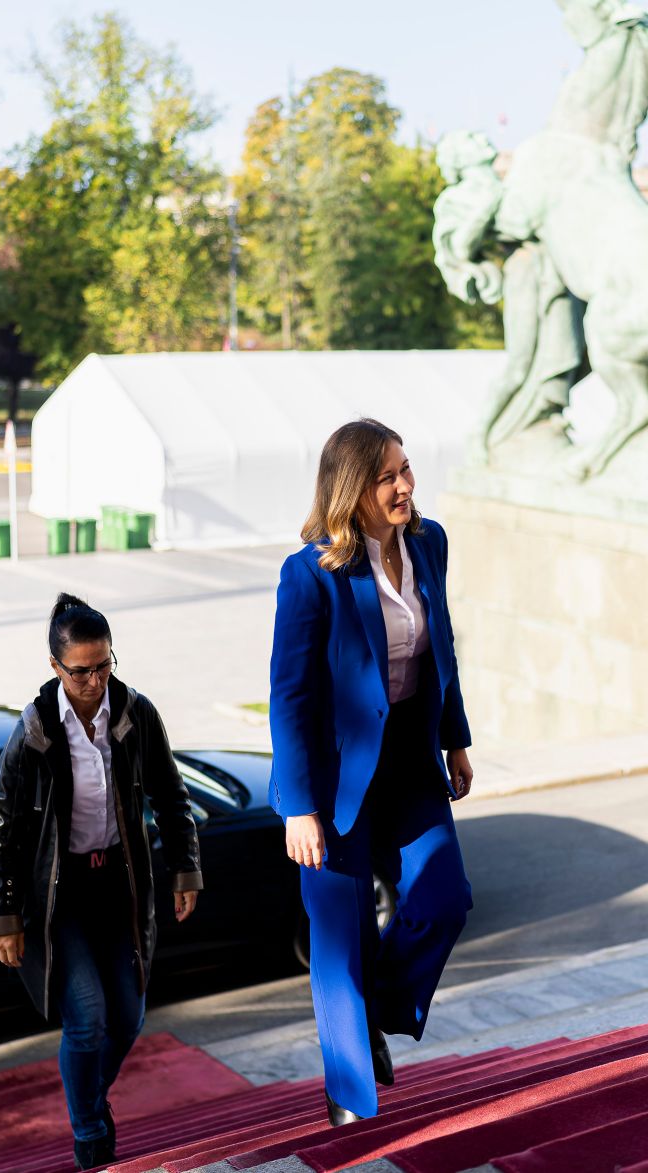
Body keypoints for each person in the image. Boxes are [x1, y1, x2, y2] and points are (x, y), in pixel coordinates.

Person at [269, 419, 475, 1125]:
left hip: (411, 763)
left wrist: (456, 740)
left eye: (407, 469)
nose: (405, 485)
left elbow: (440, 647)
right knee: (339, 937)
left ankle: (378, 1011)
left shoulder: (430, 542)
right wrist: (298, 804)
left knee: (445, 897)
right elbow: (289, 694)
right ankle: (350, 1099)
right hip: (330, 780)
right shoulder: (311, 574)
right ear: (354, 489)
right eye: (388, 476)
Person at [0, 593, 202, 1170]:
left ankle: (88, 1096)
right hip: (59, 897)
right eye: (80, 670)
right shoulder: (34, 731)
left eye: (104, 664)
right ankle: (89, 1135)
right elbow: (1, 821)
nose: (94, 680)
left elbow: (171, 796)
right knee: (87, 1017)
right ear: (55, 667)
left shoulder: (134, 713)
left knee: (128, 1018)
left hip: (120, 888)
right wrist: (2, 912)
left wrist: (184, 865)